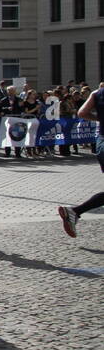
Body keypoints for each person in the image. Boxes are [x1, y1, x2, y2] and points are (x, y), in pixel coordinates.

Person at [58, 84, 104, 237]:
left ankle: (74, 212)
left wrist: (100, 118)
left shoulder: (97, 93)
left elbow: (82, 112)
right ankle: (75, 211)